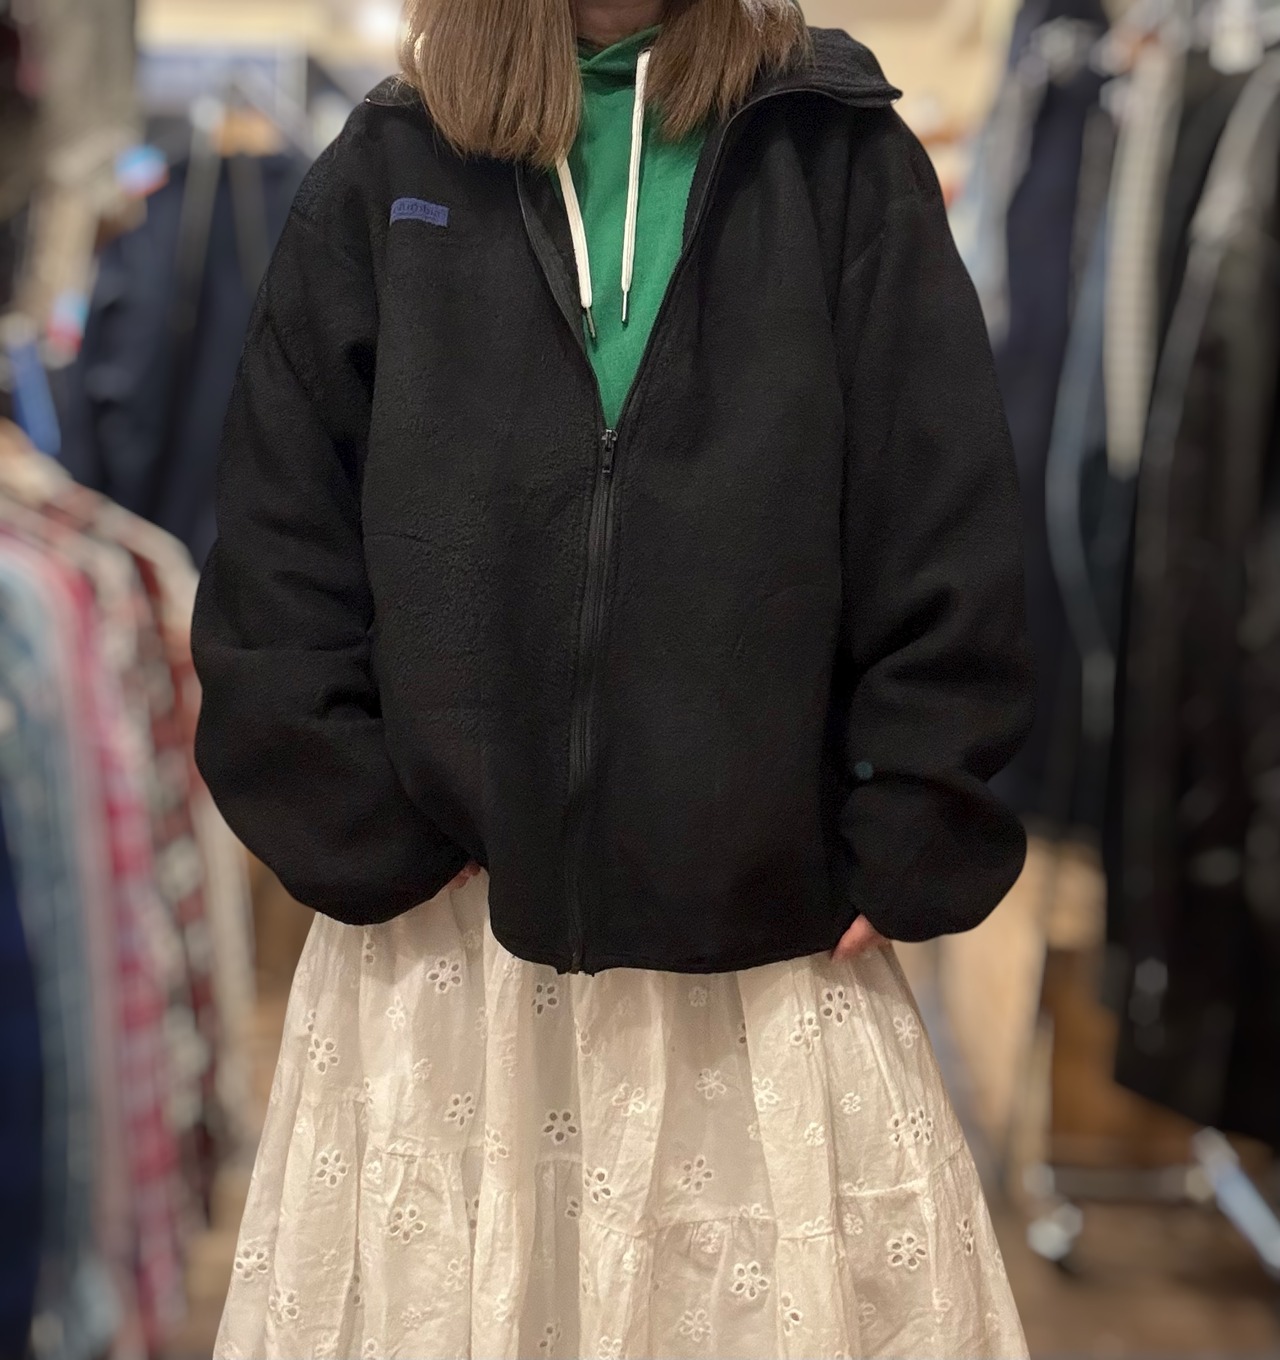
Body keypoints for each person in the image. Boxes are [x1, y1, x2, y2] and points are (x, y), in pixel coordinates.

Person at [196, 0, 1035, 1355]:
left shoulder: (828, 150)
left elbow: (942, 508)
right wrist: (362, 824)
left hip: (763, 957)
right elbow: (279, 543)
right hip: (452, 955)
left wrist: (914, 818)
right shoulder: (389, 162)